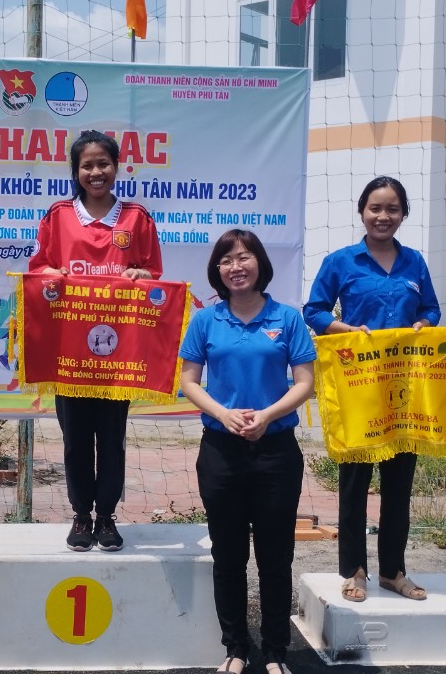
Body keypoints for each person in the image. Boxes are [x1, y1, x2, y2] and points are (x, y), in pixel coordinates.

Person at [179, 229, 314, 674]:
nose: (236, 267)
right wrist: (224, 414)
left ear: (260, 263)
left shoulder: (287, 318)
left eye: (244, 257)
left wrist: (268, 416)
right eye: (226, 260)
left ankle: (275, 652)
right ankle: (236, 648)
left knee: (276, 558)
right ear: (217, 270)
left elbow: (305, 383)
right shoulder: (206, 320)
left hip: (276, 453)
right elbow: (189, 381)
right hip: (221, 451)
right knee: (228, 555)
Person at [302, 175, 440, 603]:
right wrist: (343, 329)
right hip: (358, 387)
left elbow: (432, 309)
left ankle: (393, 572)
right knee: (354, 485)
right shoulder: (341, 262)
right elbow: (314, 311)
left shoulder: (415, 262)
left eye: (392, 209)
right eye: (375, 208)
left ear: (403, 214)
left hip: (404, 390)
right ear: (362, 212)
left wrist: (423, 324)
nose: (383, 216)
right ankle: (354, 571)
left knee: (399, 486)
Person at [28, 129, 162, 552]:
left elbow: (154, 273)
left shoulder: (136, 218)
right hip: (70, 353)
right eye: (87, 165)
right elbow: (39, 268)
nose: (96, 172)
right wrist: (50, 275)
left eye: (103, 163)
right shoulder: (58, 216)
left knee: (112, 439)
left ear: (116, 167)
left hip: (117, 354)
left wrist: (142, 275)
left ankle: (106, 517)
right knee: (75, 441)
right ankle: (81, 516)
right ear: (76, 171)